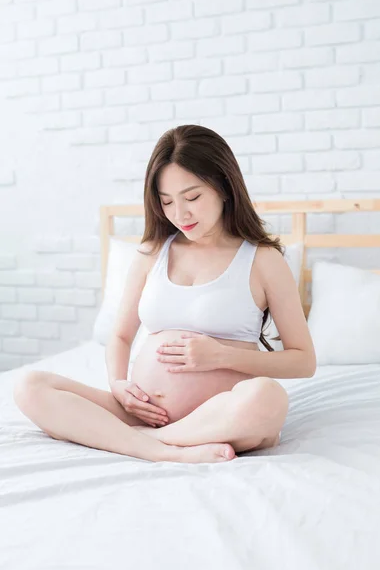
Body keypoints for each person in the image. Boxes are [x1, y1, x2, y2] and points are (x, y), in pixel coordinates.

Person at [14, 124, 316, 464]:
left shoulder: (262, 259)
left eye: (193, 197)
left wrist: (221, 357)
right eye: (167, 201)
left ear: (224, 187)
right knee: (30, 387)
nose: (180, 214)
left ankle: (143, 441)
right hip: (141, 411)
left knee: (267, 397)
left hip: (220, 417)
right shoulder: (151, 253)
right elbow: (120, 334)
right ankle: (157, 446)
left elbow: (303, 360)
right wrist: (118, 384)